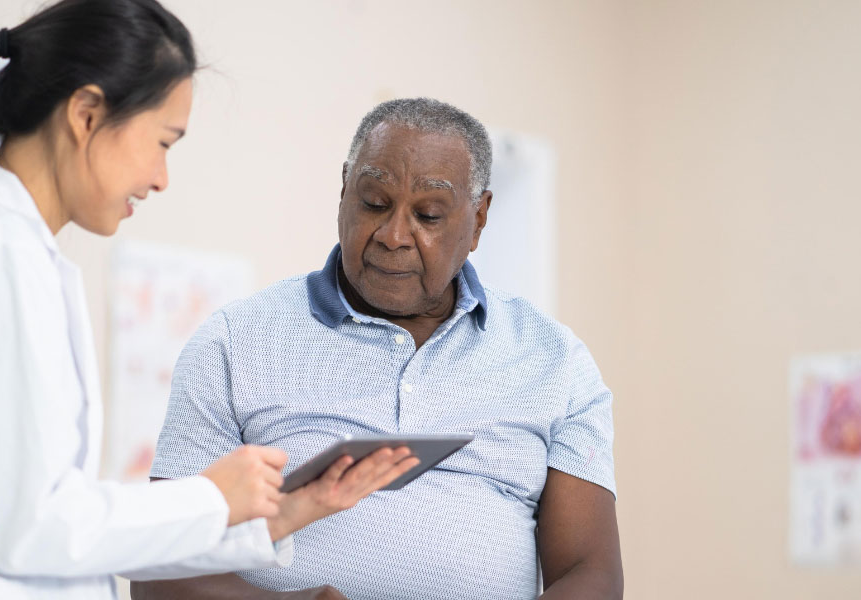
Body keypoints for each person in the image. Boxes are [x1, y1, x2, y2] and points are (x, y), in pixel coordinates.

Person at [0, 1, 420, 598]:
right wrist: (211, 496)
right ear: (87, 114)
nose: (160, 178)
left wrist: (277, 515)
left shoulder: (13, 250)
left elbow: (56, 522)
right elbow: (26, 526)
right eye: (163, 142)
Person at [134, 98, 623, 599]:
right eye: (373, 203)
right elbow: (161, 570)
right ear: (344, 191)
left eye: (428, 215)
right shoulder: (234, 343)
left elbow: (591, 574)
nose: (393, 236)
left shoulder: (556, 361)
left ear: (478, 219)